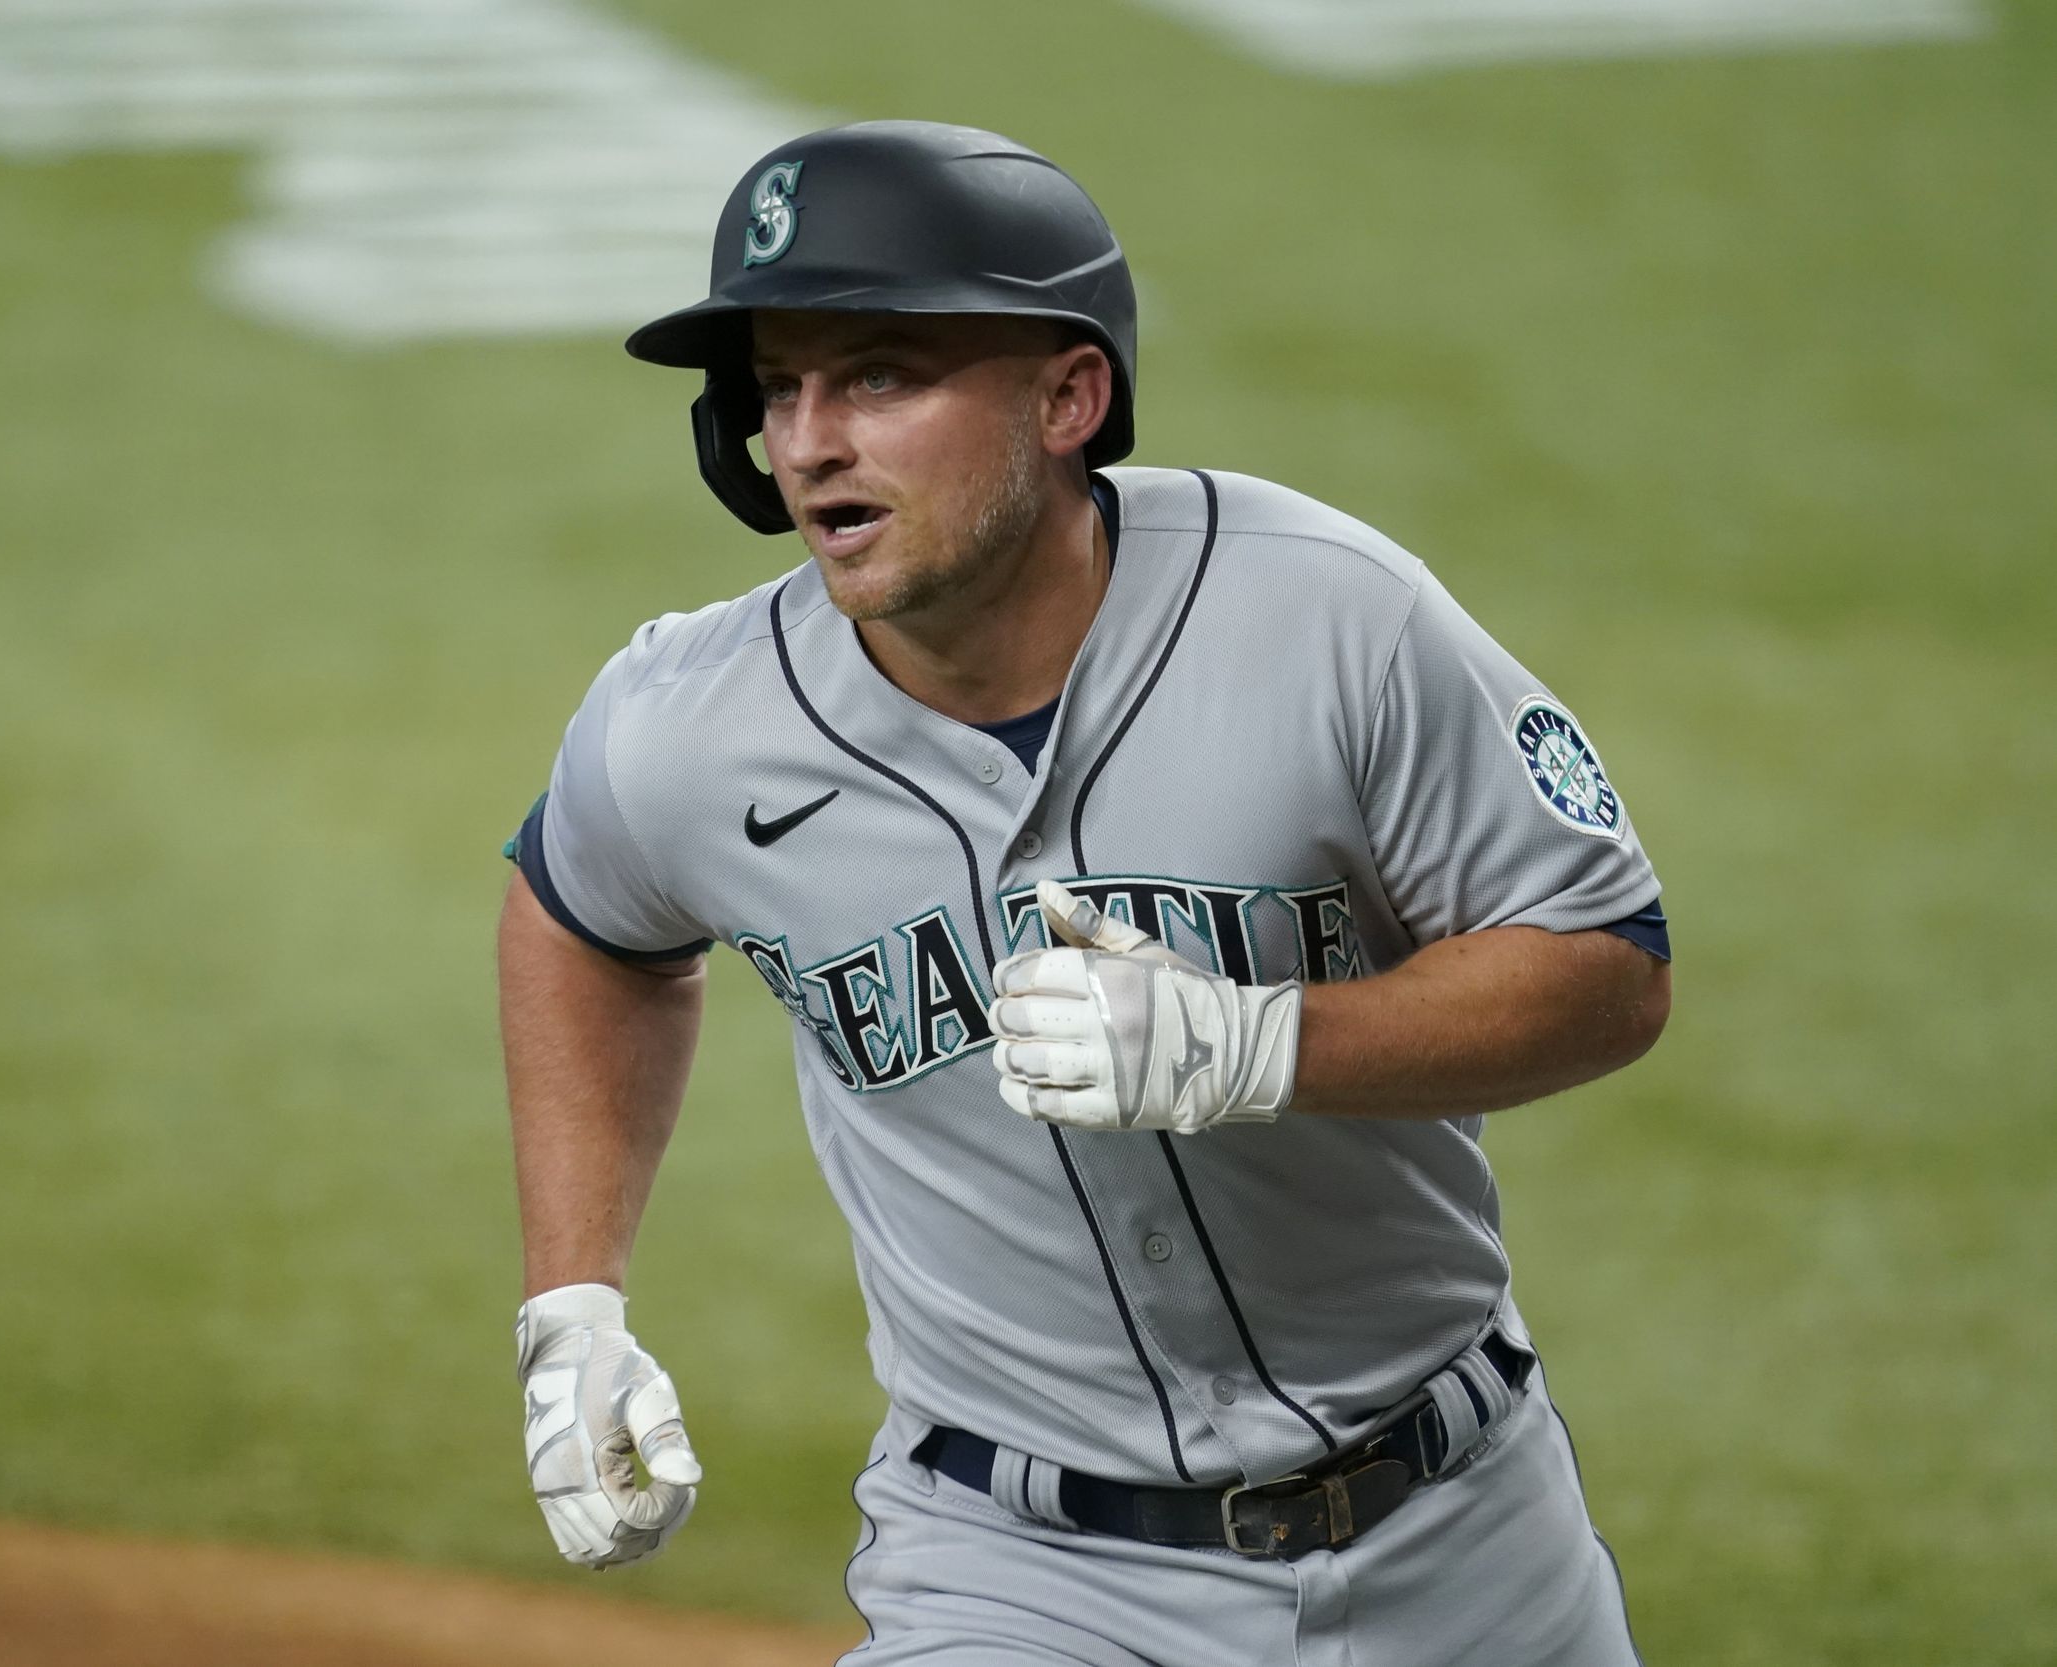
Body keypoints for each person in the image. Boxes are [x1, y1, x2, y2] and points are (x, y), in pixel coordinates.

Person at [499, 119, 1670, 1666]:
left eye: (881, 377)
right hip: (1020, 1576)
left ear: (1070, 395)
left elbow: (1608, 964)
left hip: (1469, 1549)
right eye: (778, 389)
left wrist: (1257, 1048)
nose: (809, 442)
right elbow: (581, 921)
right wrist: (573, 1310)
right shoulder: (687, 726)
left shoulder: (1333, 620)